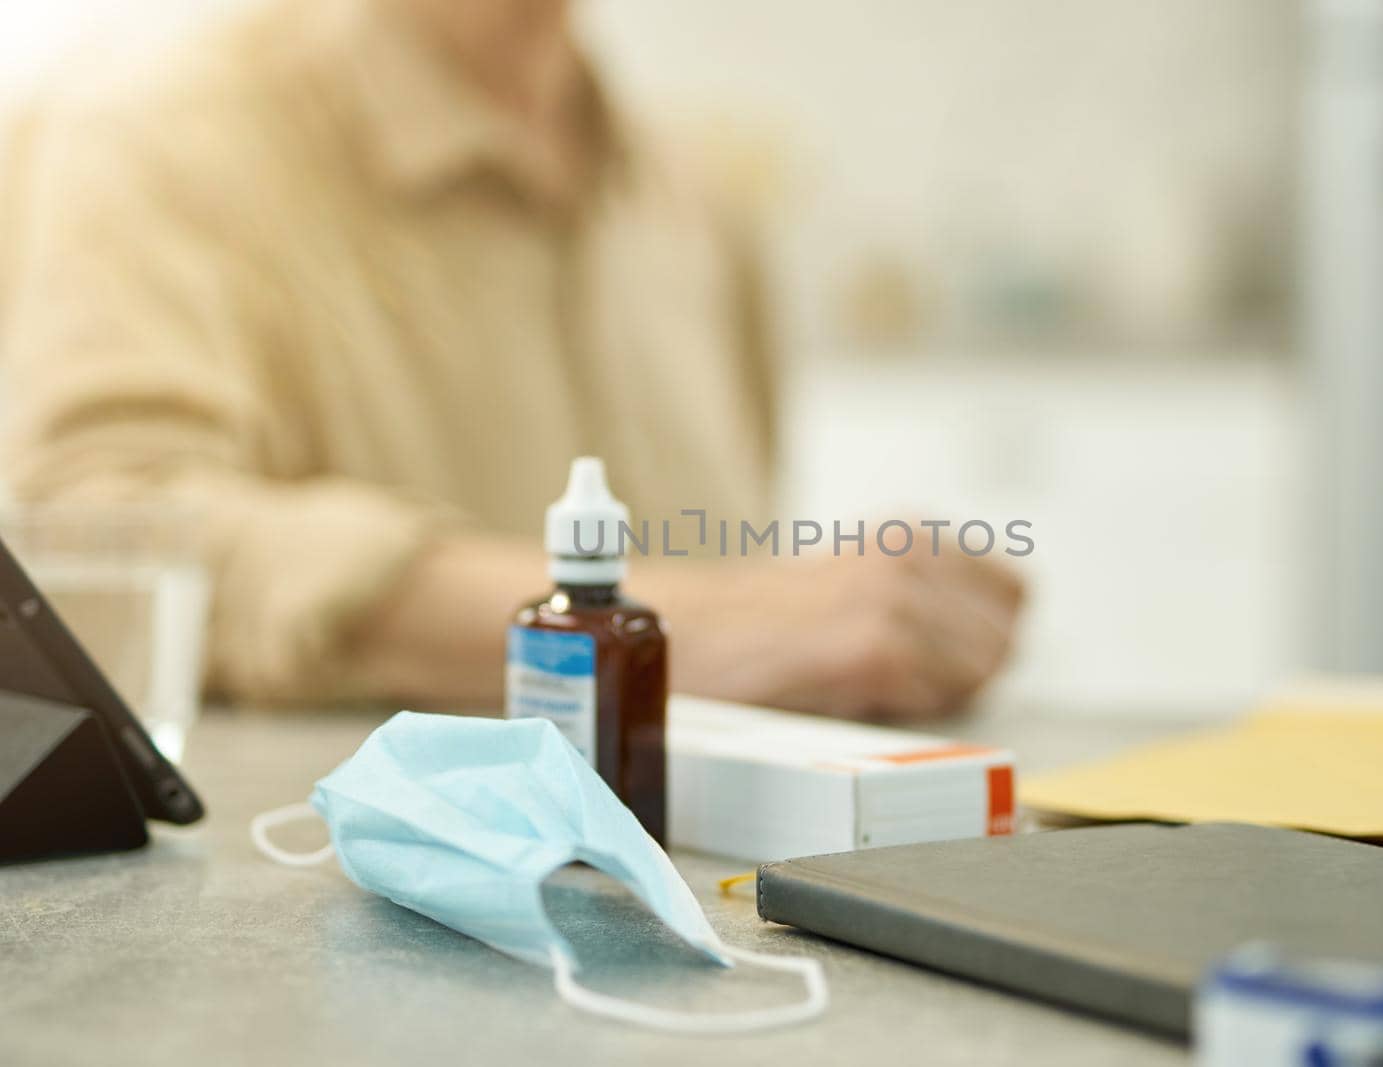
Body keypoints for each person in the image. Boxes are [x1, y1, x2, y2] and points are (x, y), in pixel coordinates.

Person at [0, 0, 1023, 719]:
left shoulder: (698, 203)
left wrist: (835, 634)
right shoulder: (148, 142)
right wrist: (675, 632)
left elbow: (746, 593)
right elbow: (100, 542)